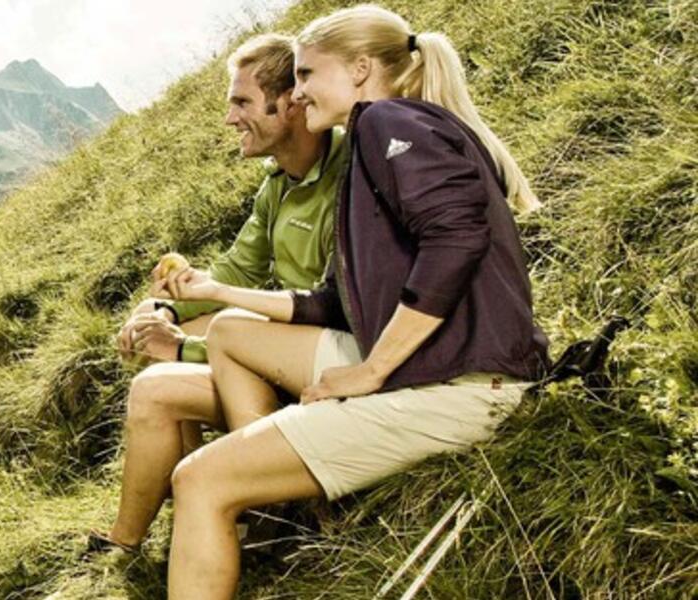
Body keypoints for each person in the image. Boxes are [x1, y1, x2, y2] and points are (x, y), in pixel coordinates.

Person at [155, 5, 549, 598]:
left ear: (361, 69)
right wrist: (214, 294)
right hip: (447, 366)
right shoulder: (386, 135)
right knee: (232, 331)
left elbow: (456, 237)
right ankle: (278, 493)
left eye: (307, 75)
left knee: (200, 479)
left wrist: (371, 370)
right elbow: (335, 304)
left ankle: (266, 499)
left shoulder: (387, 122)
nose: (298, 92)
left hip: (466, 385)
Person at [90, 32, 351, 553]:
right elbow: (237, 270)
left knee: (156, 387)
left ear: (290, 106)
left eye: (242, 102)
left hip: (324, 361)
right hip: (278, 347)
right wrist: (161, 305)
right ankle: (212, 514)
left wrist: (184, 348)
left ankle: (148, 536)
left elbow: (326, 308)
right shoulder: (276, 185)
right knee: (159, 336)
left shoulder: (348, 174)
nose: (230, 118)